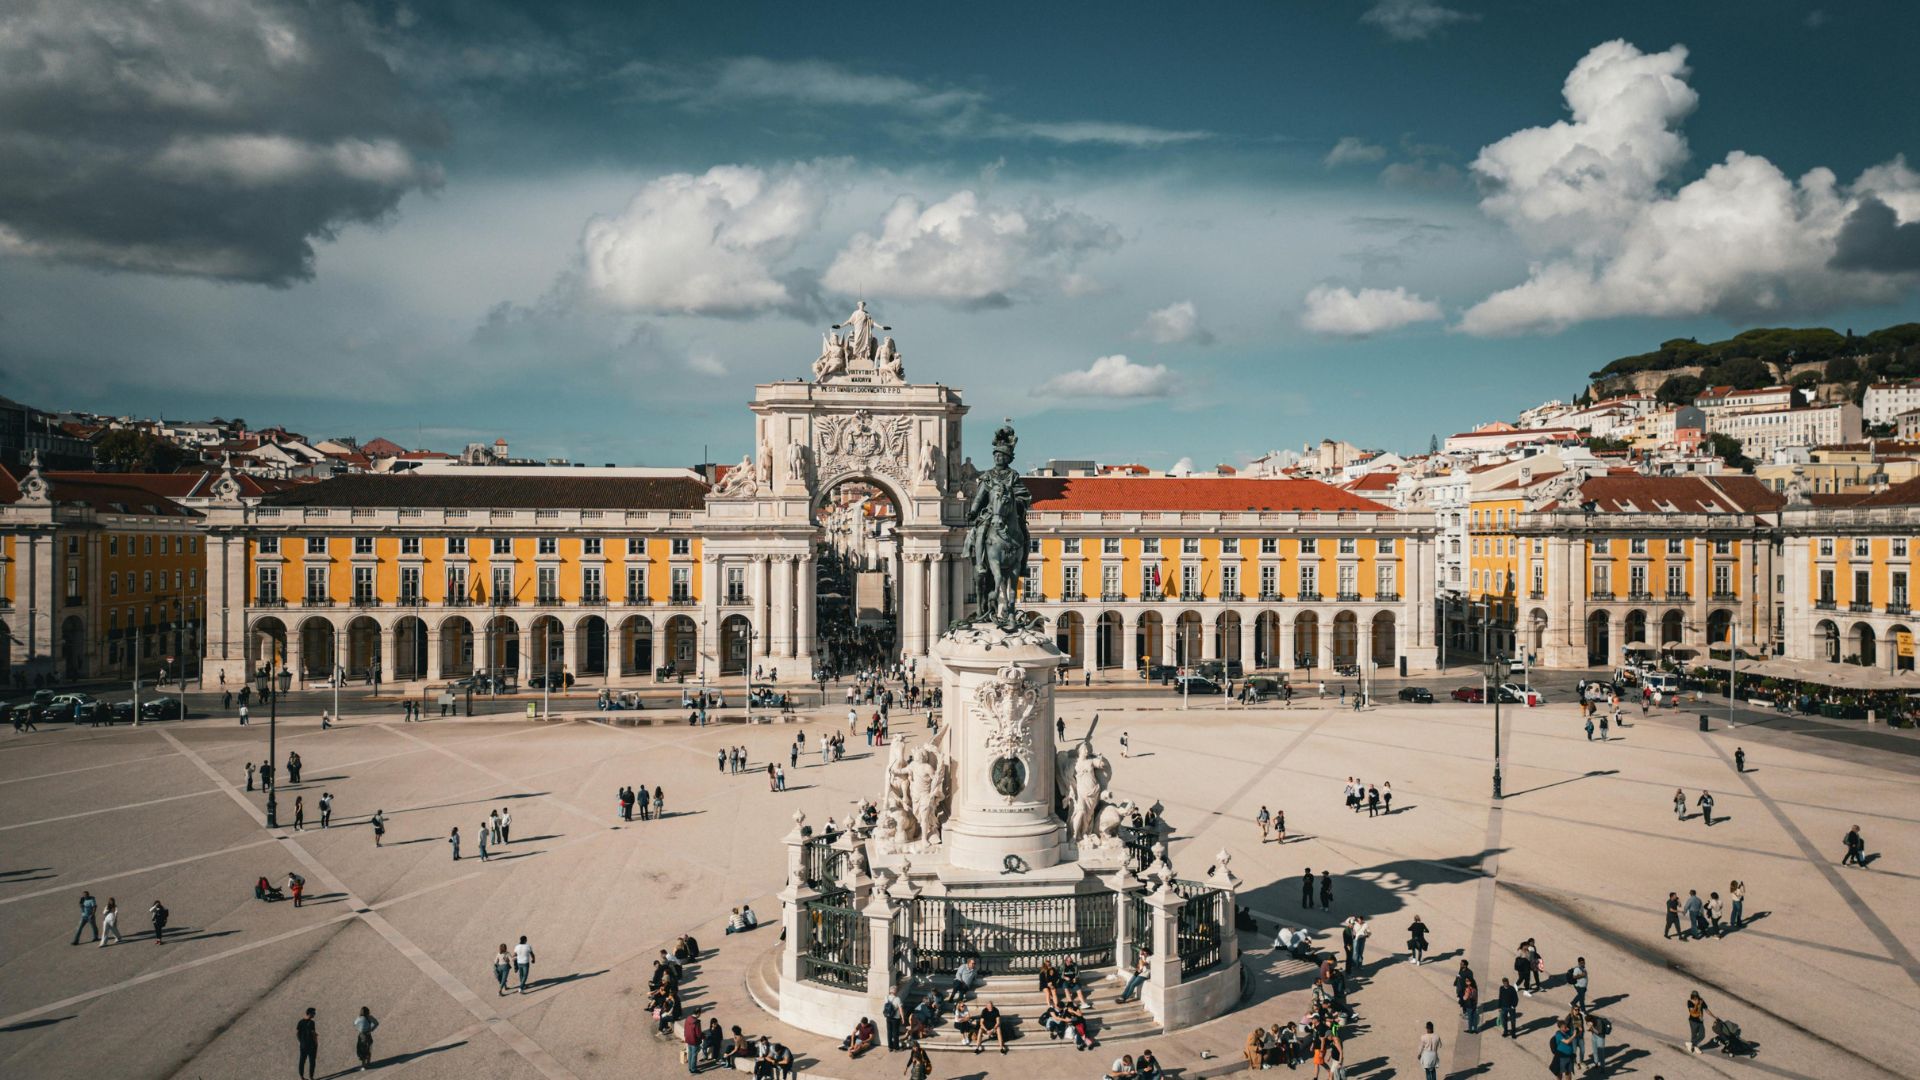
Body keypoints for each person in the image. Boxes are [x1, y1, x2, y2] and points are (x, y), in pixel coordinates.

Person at [297, 1007, 319, 1080]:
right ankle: (311, 1077)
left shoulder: (300, 1022)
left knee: (302, 1061)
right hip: (311, 1046)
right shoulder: (312, 1023)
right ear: (310, 1013)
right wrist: (316, 1043)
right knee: (312, 1062)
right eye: (313, 1013)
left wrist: (300, 1041)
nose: (314, 1014)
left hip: (303, 1045)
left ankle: (301, 1077)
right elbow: (313, 1034)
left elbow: (297, 1033)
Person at [354, 1006, 378, 1070]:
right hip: (368, 1035)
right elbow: (376, 1023)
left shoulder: (359, 1018)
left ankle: (363, 1066)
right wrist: (371, 1029)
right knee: (368, 1049)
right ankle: (368, 1064)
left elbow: (355, 1023)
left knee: (362, 1050)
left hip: (361, 1036)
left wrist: (359, 1028)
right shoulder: (369, 1017)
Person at [883, 985, 904, 1051]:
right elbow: (900, 1009)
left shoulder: (886, 997)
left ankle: (890, 1047)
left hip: (888, 1017)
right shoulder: (897, 999)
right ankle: (896, 1048)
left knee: (889, 1032)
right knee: (895, 1033)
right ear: (895, 991)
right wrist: (903, 1018)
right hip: (896, 1018)